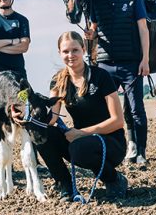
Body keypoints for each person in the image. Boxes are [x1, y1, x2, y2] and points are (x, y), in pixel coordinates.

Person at [28, 31, 128, 200]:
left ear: (83, 49)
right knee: (42, 134)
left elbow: (118, 121)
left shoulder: (101, 76)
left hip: (110, 142)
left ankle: (114, 180)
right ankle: (65, 185)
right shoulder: (58, 80)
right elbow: (52, 117)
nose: (70, 55)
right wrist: (28, 118)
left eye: (75, 50)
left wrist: (82, 133)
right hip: (80, 141)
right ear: (59, 53)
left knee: (78, 148)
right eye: (66, 51)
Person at [84, 0, 150, 165]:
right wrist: (90, 36)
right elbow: (94, 30)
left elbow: (143, 29)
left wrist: (145, 59)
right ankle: (112, 152)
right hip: (105, 66)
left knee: (136, 109)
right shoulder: (97, 1)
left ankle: (141, 153)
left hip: (130, 64)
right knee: (106, 113)